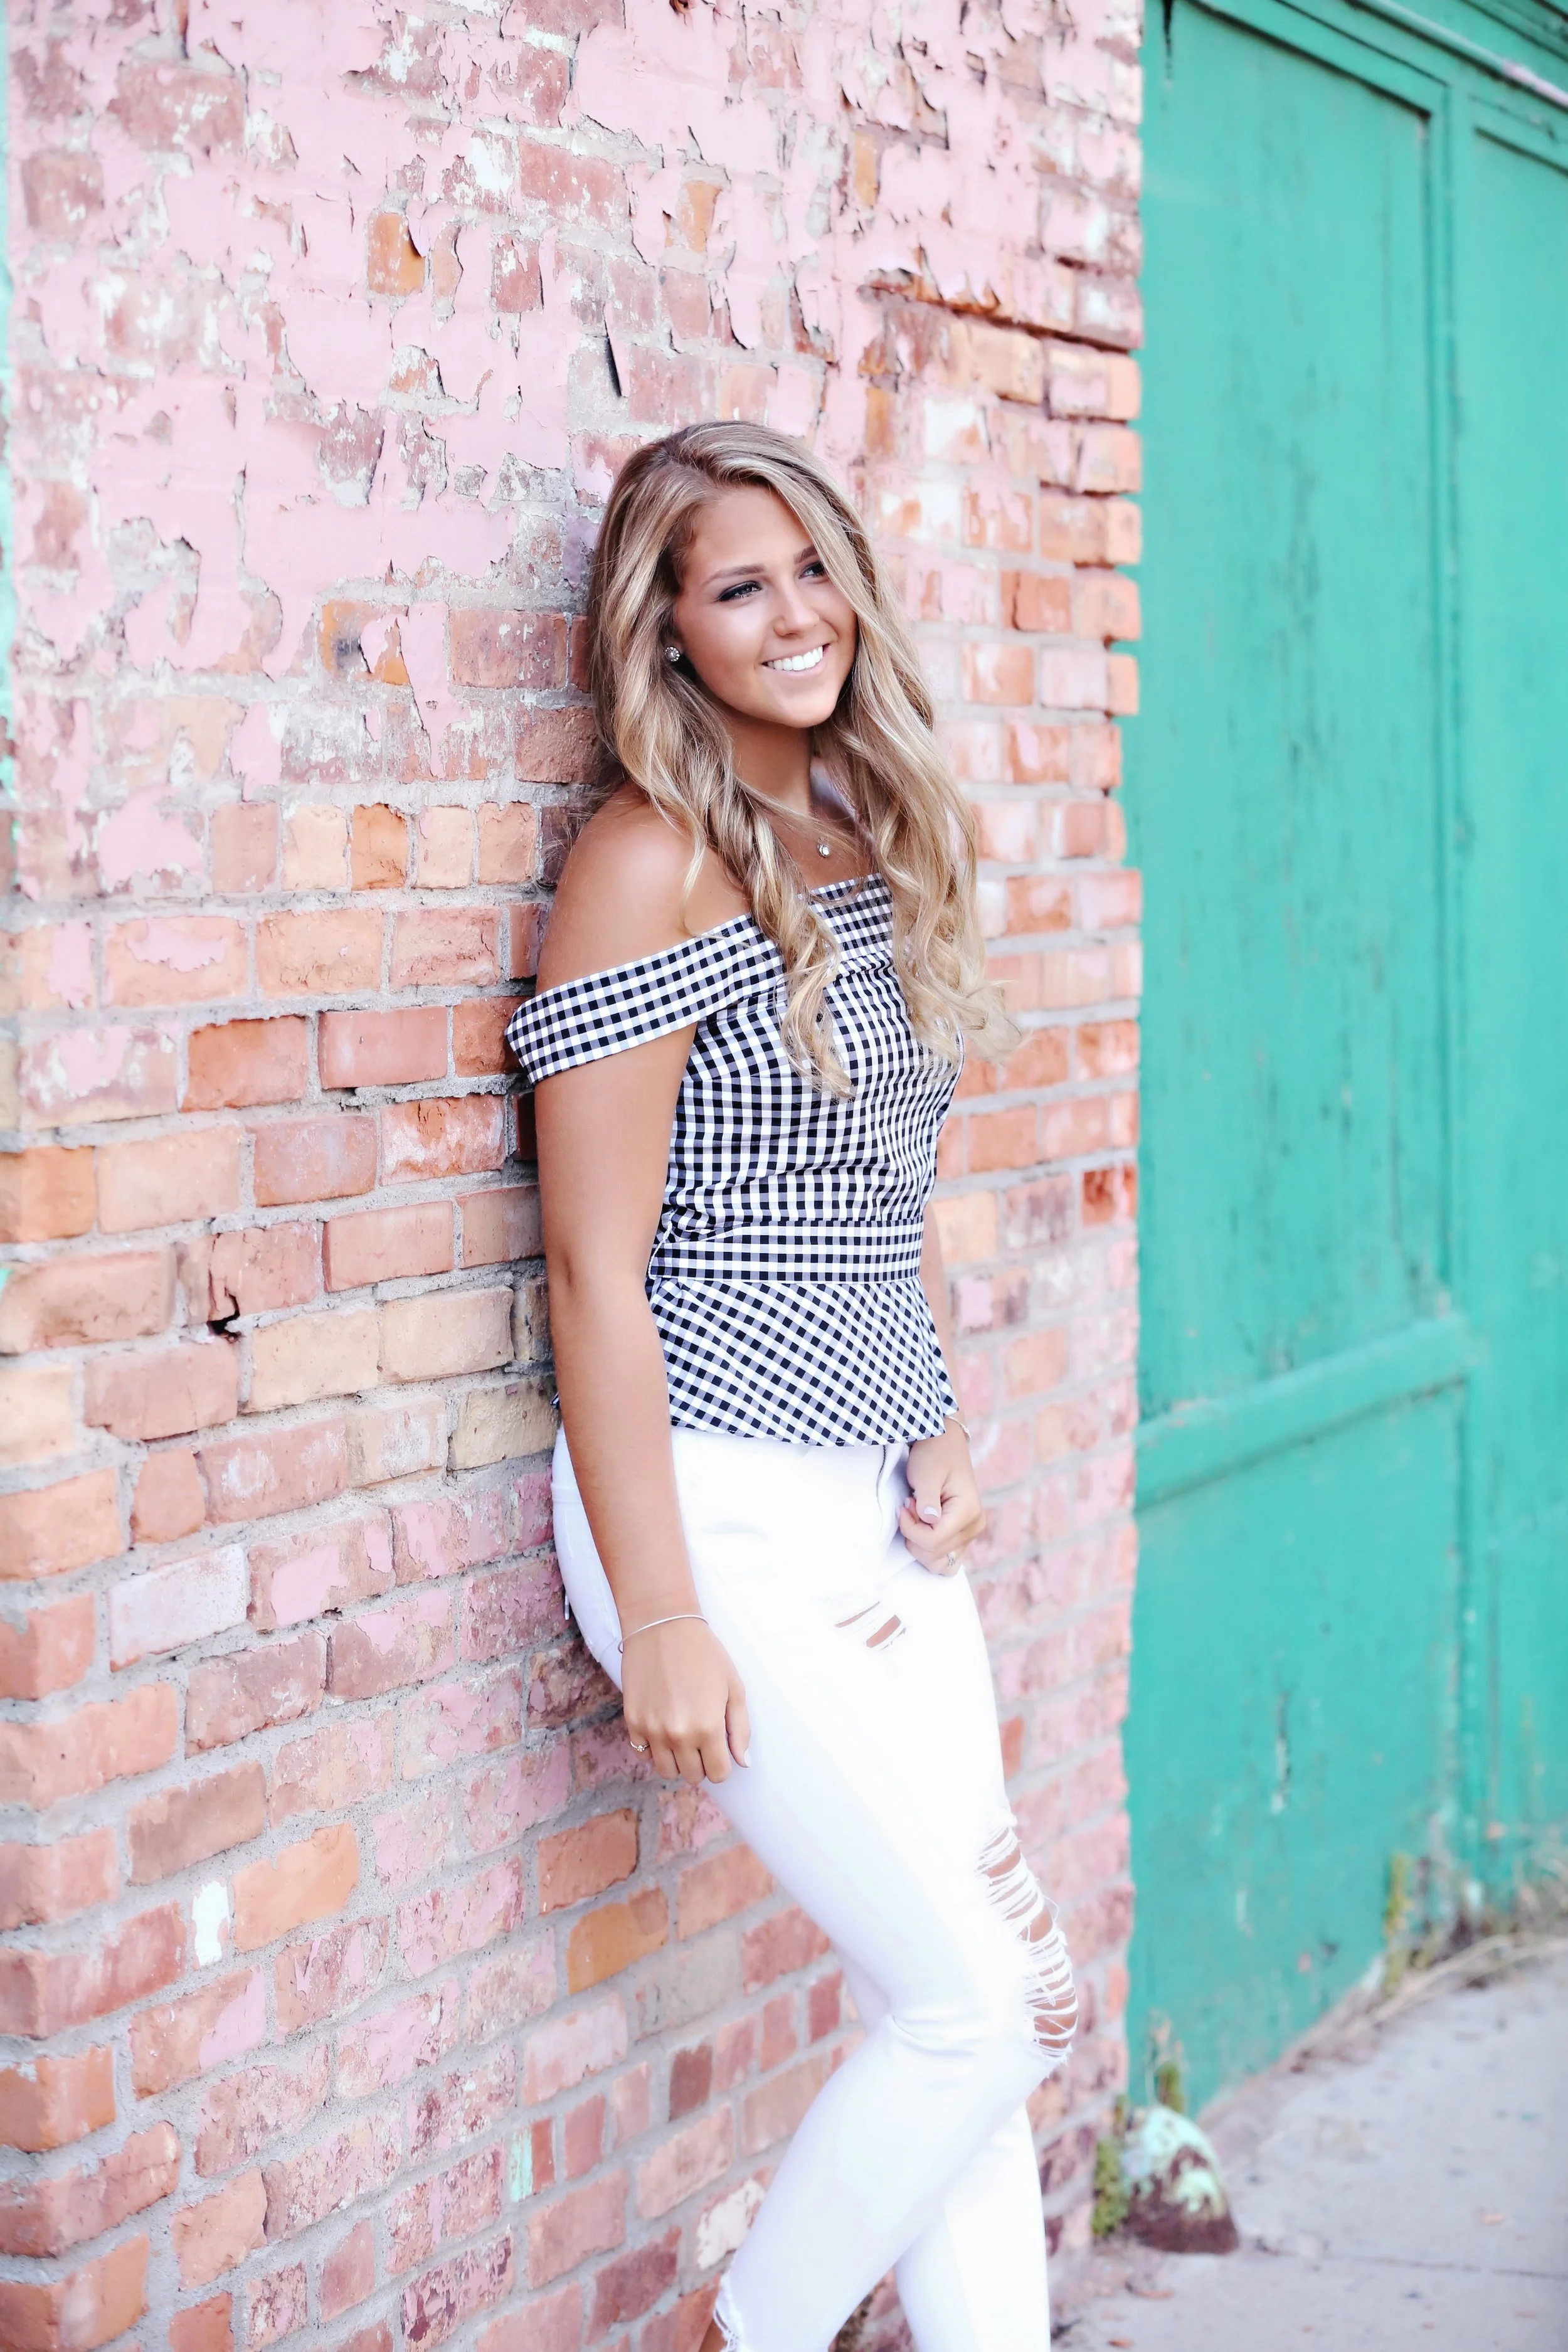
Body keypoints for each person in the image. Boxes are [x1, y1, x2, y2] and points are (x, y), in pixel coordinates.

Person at [507, 422, 1077, 2352]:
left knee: (974, 2011)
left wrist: (931, 1419)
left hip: (870, 1507)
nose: (796, 613)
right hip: (709, 1508)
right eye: (738, 584)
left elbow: (881, 1177)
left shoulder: (864, 820)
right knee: (978, 2001)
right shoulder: (645, 863)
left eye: (812, 566)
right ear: (662, 631)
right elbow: (595, 1264)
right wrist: (655, 1609)